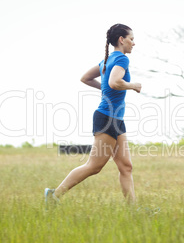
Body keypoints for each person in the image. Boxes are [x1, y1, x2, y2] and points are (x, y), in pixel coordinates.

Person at [45, 23, 141, 204]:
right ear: (121, 40)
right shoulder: (121, 59)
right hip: (107, 118)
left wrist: (104, 90)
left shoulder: (106, 60)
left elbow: (85, 78)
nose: (133, 43)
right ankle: (53, 196)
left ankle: (133, 211)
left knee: (126, 167)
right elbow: (114, 82)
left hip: (116, 119)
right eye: (131, 39)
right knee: (94, 166)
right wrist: (133, 85)